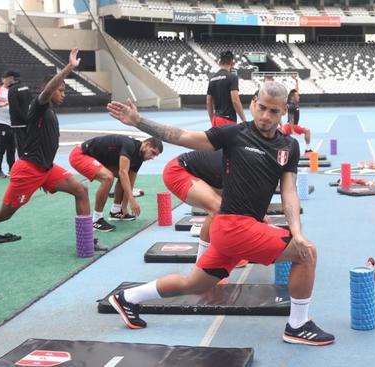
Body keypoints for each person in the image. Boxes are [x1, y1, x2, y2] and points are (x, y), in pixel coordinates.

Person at [106, 82, 335, 346]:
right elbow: (181, 136)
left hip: (238, 232)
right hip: (233, 226)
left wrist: (296, 232)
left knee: (194, 284)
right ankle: (298, 325)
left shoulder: (289, 147)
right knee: (307, 254)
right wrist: (138, 121)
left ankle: (128, 297)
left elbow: (289, 192)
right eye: (261, 108)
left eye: (273, 111)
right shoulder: (234, 134)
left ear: (284, 111)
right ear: (252, 104)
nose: (265, 116)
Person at [0, 49, 105, 254]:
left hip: (45, 169)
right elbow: (47, 90)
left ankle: (88, 239)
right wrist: (69, 68)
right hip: (28, 170)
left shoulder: (50, 111)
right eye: (60, 90)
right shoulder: (39, 105)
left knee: (81, 190)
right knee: (4, 214)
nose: (63, 94)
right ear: (49, 90)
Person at [69, 135, 163, 231]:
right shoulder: (129, 145)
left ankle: (116, 211)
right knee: (108, 178)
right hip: (80, 155)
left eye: (155, 156)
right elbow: (122, 172)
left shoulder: (140, 157)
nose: (152, 157)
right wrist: (132, 200)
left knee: (127, 176)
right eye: (153, 153)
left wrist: (124, 207)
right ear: (146, 145)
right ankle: (96, 219)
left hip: (97, 159)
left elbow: (130, 180)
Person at [206, 51, 247, 127]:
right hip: (227, 120)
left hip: (216, 119)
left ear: (219, 63)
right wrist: (244, 120)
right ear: (232, 64)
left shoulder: (212, 79)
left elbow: (208, 102)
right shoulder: (232, 77)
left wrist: (212, 119)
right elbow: (235, 101)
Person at [284, 76, 313, 153]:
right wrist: (293, 131)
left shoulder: (295, 102)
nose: (299, 96)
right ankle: (308, 149)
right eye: (298, 96)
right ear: (293, 97)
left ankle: (308, 149)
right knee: (307, 130)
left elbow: (296, 90)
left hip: (293, 125)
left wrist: (296, 81)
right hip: (291, 126)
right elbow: (291, 119)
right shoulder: (291, 106)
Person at [8, 73, 32, 155]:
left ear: (12, 79)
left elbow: (14, 107)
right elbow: (30, 102)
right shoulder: (26, 87)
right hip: (28, 120)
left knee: (20, 145)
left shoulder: (12, 90)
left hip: (18, 122)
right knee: (28, 142)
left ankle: (23, 163)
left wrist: (21, 118)